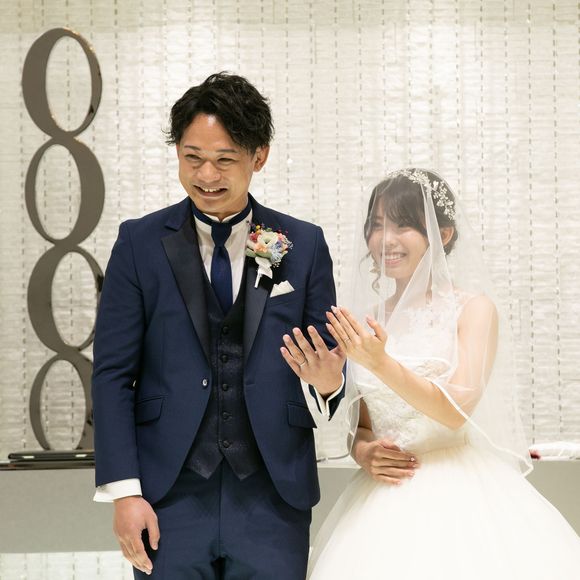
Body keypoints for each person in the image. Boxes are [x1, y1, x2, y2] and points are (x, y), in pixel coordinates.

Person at [91, 72, 345, 579]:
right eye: (192, 157)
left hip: (273, 494)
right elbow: (113, 374)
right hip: (167, 495)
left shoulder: (303, 244)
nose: (206, 175)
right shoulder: (138, 243)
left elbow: (328, 363)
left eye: (225, 159)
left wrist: (329, 384)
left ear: (259, 156)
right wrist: (124, 492)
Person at [306, 168, 580, 579]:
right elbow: (362, 426)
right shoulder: (366, 320)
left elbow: (455, 411)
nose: (386, 239)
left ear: (443, 234)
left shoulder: (472, 309)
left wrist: (381, 363)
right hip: (378, 501)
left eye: (402, 225)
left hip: (456, 491)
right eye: (377, 225)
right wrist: (363, 452)